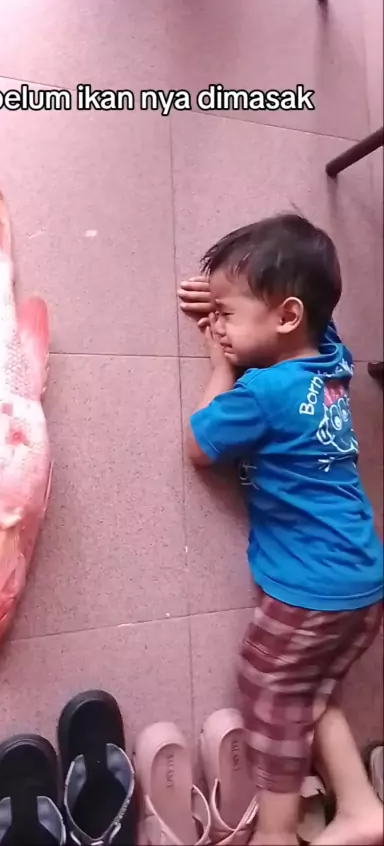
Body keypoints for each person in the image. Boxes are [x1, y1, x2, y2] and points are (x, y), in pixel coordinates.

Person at [178, 213, 384, 846]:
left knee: (267, 694)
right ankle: (361, 808)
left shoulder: (263, 391)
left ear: (288, 316)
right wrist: (236, 302)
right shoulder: (332, 362)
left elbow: (199, 445)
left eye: (227, 314)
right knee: (307, 692)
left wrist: (221, 362)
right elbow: (320, 321)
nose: (219, 325)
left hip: (306, 591)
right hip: (361, 581)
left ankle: (275, 832)